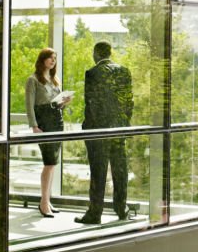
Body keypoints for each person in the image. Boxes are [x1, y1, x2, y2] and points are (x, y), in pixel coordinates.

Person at [76, 41, 134, 224]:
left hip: (99, 131)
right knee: (120, 169)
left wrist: (89, 127)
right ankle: (121, 208)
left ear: (96, 54)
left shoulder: (93, 73)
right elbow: (128, 101)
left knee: (98, 171)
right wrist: (123, 123)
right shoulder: (124, 71)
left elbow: (92, 103)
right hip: (118, 129)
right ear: (110, 52)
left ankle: (95, 213)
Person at [26, 48, 71, 218]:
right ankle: (43, 203)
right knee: (49, 162)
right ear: (42, 59)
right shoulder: (33, 80)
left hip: (57, 120)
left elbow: (56, 105)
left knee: (53, 163)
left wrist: (64, 102)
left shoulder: (54, 80)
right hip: (43, 122)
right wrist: (34, 126)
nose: (53, 61)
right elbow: (29, 105)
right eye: (50, 58)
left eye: (55, 58)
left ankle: (47, 200)